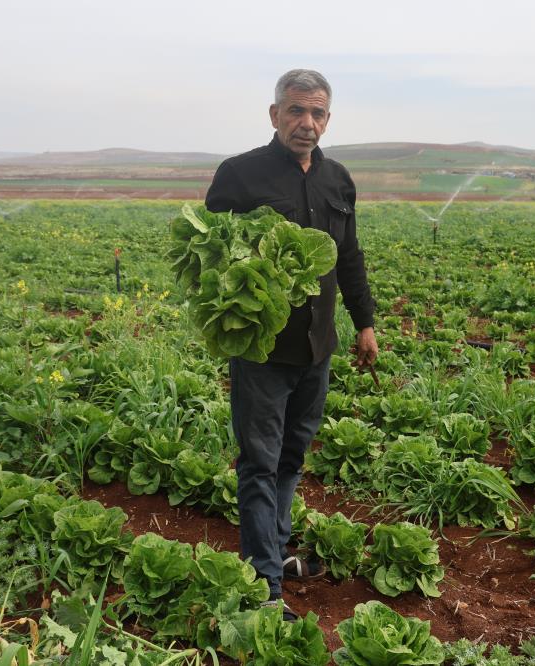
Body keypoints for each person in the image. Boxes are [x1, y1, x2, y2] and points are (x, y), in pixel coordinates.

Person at [205, 69, 378, 619]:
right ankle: (264, 587)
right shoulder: (239, 176)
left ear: (328, 119)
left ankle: (273, 554)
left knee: (291, 457)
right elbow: (209, 260)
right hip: (260, 350)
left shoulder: (338, 180)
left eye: (318, 113)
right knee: (259, 462)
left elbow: (348, 257)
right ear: (275, 113)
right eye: (297, 111)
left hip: (317, 347)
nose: (307, 123)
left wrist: (365, 323)